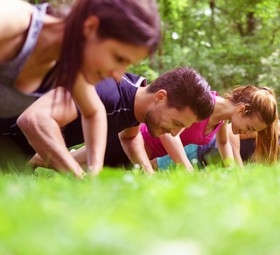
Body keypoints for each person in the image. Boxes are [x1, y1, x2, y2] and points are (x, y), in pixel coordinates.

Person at [0, 0, 161, 176]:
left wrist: (92, 173)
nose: (118, 74)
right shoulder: (14, 20)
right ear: (90, 27)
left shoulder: (68, 65)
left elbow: (94, 112)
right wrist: (75, 172)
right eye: (119, 58)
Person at [2, 67, 214, 175]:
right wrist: (77, 174)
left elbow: (130, 138)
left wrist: (148, 174)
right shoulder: (106, 90)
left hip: (13, 157)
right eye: (177, 122)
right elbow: (35, 119)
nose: (174, 134)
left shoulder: (136, 105)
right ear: (160, 97)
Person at [99, 86, 280, 171]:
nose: (248, 134)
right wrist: (187, 168)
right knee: (78, 166)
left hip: (142, 156)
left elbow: (224, 143)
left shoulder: (221, 120)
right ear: (241, 109)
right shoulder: (203, 103)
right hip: (132, 141)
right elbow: (168, 133)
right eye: (249, 127)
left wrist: (233, 172)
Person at [153, 114, 280, 170]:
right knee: (149, 166)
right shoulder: (275, 129)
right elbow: (232, 134)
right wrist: (238, 172)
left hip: (208, 163)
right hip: (200, 152)